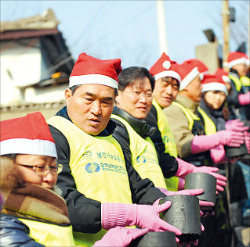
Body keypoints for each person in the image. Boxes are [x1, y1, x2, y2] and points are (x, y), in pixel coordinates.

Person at [47, 53, 181, 246]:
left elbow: (138, 188)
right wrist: (128, 214)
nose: (96, 110)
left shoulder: (113, 139)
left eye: (106, 102)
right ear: (69, 96)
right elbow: (61, 201)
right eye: (88, 99)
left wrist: (172, 204)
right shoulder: (54, 134)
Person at [145, 53, 227, 194]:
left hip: (168, 189)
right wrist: (191, 175)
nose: (170, 91)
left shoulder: (159, 111)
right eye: (164, 85)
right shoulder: (151, 111)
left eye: (175, 87)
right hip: (159, 194)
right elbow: (165, 156)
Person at [0, 112, 75, 246]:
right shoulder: (5, 222)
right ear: (6, 167)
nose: (50, 178)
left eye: (53, 167)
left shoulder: (56, 206)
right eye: (40, 167)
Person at [225, 51, 250, 120]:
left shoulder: (238, 78)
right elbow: (232, 98)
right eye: (243, 65)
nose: (245, 68)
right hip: (236, 116)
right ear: (234, 66)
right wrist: (245, 98)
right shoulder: (231, 79)